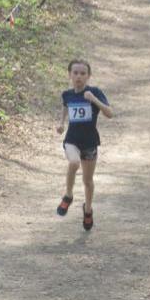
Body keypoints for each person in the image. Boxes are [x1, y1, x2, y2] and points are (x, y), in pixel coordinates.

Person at [55, 59, 113, 231]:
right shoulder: (67, 94)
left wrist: (94, 100)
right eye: (75, 73)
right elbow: (65, 107)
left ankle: (88, 210)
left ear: (88, 76)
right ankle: (68, 195)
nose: (78, 76)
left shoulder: (95, 92)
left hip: (90, 141)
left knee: (87, 181)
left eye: (82, 73)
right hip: (72, 139)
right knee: (73, 162)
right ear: (69, 75)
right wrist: (61, 123)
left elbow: (110, 113)